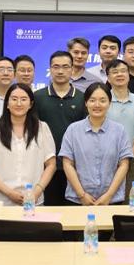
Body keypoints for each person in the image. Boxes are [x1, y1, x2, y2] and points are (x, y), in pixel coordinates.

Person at [0, 83, 56, 206]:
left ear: (30, 104)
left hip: (33, 201)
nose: (19, 103)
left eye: (23, 99)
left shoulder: (42, 128)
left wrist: (37, 191)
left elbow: (51, 164)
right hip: (0, 202)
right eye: (14, 99)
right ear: (7, 104)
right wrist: (9, 193)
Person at [62, 83, 132, 205]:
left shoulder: (119, 130)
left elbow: (124, 164)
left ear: (109, 103)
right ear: (86, 103)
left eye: (103, 100)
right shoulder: (73, 130)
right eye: (92, 100)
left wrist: (109, 195)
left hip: (111, 200)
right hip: (78, 200)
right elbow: (67, 164)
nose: (97, 105)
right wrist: (82, 195)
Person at [34, 51, 87, 205]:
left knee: (73, 210)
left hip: (76, 166)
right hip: (45, 166)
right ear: (50, 69)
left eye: (65, 67)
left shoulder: (82, 98)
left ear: (72, 69)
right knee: (49, 211)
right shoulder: (38, 97)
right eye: (56, 67)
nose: (60, 71)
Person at [105, 59, 134, 199]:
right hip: (105, 157)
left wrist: (129, 154)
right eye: (114, 72)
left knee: (130, 199)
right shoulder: (103, 100)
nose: (119, 74)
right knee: (106, 198)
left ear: (129, 75)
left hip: (132, 157)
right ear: (108, 78)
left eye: (123, 71)